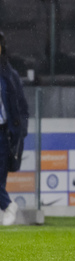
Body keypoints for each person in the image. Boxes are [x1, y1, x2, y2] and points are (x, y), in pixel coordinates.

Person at [0, 31, 29, 226]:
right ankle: (9, 205)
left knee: (1, 175)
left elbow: (21, 106)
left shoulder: (8, 74)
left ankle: (5, 209)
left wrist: (20, 132)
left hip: (3, 133)